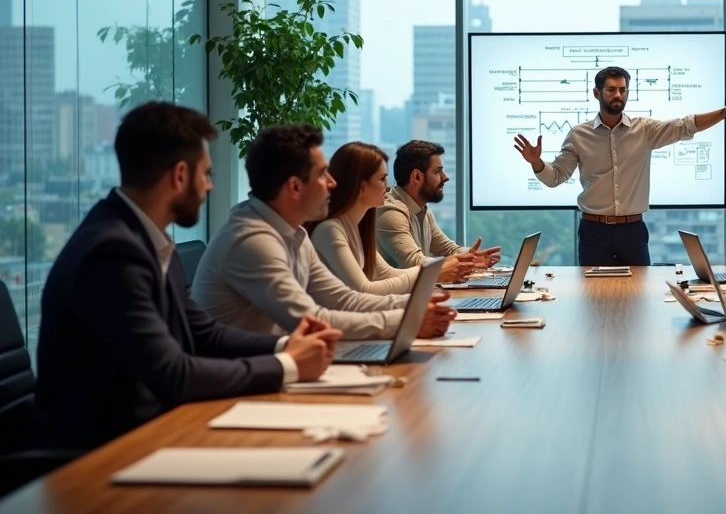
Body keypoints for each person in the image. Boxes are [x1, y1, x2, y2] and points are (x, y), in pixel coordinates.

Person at [34, 102, 341, 450]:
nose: (209, 186)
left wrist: (289, 344)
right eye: (206, 174)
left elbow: (204, 334)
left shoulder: (149, 238)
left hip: (152, 432)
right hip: (96, 455)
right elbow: (174, 374)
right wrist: (287, 365)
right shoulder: (111, 253)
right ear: (180, 175)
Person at [194, 125, 455, 340]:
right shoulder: (252, 241)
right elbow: (312, 320)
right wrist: (406, 320)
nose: (332, 183)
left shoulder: (293, 234)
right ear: (295, 187)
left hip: (268, 369)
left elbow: (344, 300)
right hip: (235, 389)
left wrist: (415, 308)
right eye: (322, 175)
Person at [514, 66, 726, 266]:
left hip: (632, 231)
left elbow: (686, 125)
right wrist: (536, 162)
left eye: (622, 90)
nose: (618, 95)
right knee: (591, 297)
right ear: (597, 93)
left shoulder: (645, 130)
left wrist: (725, 112)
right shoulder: (579, 135)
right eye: (611, 90)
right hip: (593, 232)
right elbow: (556, 176)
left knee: (640, 298)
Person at [309, 142, 475, 292]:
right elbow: (364, 289)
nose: (387, 186)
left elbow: (386, 274)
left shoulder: (355, 228)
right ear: (359, 185)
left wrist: (436, 271)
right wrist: (435, 273)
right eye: (382, 178)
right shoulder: (330, 230)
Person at [377, 140, 501, 271]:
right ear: (417, 177)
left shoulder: (422, 209)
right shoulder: (391, 212)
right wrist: (461, 261)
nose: (445, 177)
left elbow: (448, 249)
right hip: (393, 292)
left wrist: (472, 256)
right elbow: (416, 263)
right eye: (438, 171)